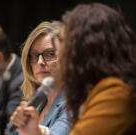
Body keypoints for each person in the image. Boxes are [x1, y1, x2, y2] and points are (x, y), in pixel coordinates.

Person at [56, 3, 136, 135]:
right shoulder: (99, 89)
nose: (60, 52)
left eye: (64, 42)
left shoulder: (114, 92)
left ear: (85, 47)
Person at [9, 21, 70, 135]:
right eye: (35, 55)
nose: (40, 62)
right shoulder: (34, 103)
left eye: (51, 54)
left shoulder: (73, 104)